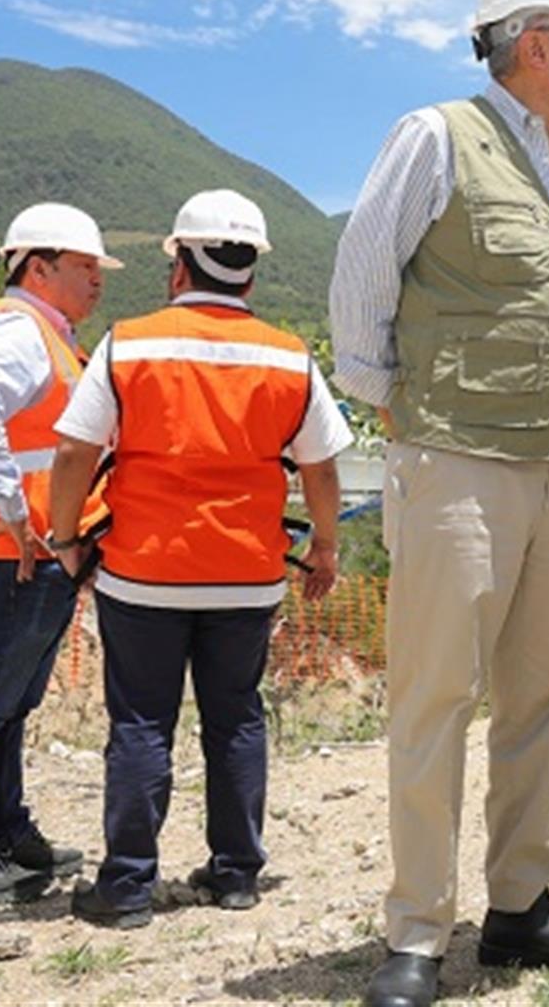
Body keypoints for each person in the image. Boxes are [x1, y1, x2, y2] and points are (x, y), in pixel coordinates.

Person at [330, 0, 549, 1007]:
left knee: (545, 691)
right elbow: (365, 270)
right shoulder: (438, 136)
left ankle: (520, 906)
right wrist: (391, 405)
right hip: (457, 455)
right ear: (538, 42)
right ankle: (417, 931)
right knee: (436, 693)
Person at [45, 189, 351, 929]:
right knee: (237, 719)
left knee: (143, 723)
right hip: (247, 575)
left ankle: (125, 887)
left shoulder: (130, 342)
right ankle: (237, 873)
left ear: (180, 262)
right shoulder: (288, 355)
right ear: (249, 272)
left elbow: (74, 449)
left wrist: (64, 536)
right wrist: (325, 545)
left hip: (143, 573)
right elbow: (322, 467)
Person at [0, 202, 119, 905]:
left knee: (9, 705)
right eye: (85, 266)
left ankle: (8, 834)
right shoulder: (18, 333)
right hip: (16, 549)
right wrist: (15, 510)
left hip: (36, 550)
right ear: (37, 267)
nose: (98, 280)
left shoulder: (43, 334)